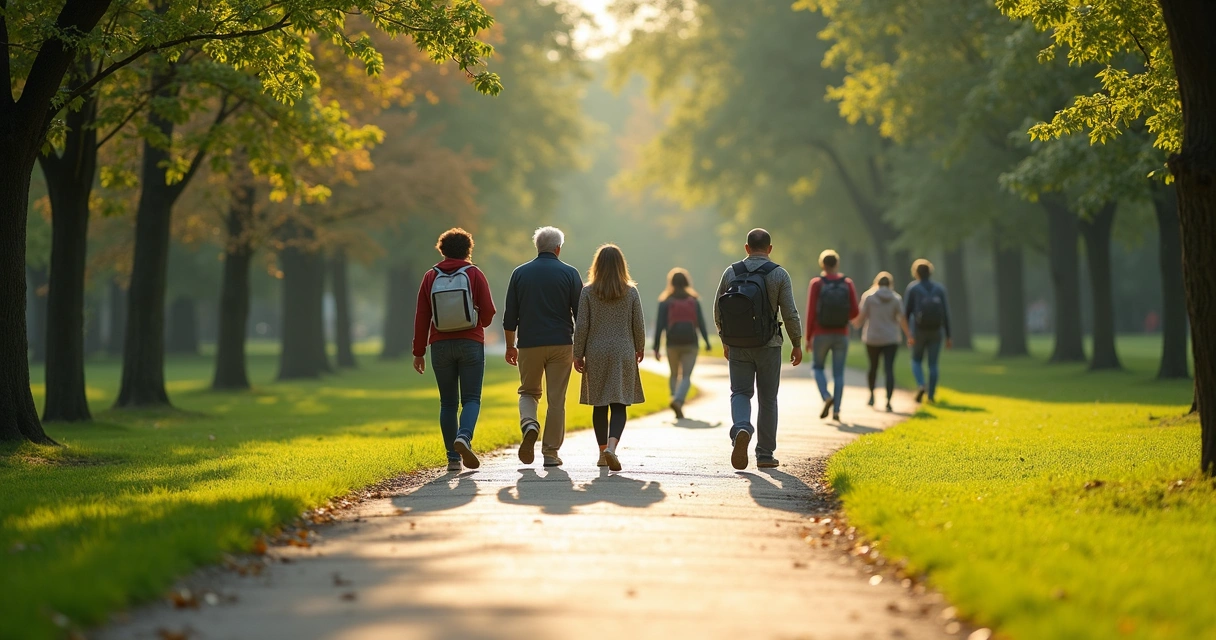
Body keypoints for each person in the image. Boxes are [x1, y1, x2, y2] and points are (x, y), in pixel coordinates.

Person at [714, 228, 803, 470]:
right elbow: (790, 312)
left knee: (740, 392)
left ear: (746, 248)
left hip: (738, 345)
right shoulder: (779, 274)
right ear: (770, 249)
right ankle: (764, 454)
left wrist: (725, 339)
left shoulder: (731, 272)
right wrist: (796, 342)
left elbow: (717, 309)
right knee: (768, 399)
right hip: (769, 345)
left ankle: (742, 427)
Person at [411, 228, 497, 472]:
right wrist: (478, 323)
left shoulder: (430, 276)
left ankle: (452, 459)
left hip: (439, 345)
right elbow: (489, 311)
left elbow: (422, 316)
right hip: (471, 342)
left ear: (442, 250)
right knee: (471, 399)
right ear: (468, 250)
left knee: (448, 403)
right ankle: (464, 437)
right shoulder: (474, 273)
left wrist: (418, 352)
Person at [503, 226, 584, 467]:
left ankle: (529, 423)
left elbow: (510, 315)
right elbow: (581, 315)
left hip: (529, 344)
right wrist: (580, 350)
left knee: (528, 391)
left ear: (537, 247)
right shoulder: (570, 273)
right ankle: (550, 452)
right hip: (561, 343)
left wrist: (510, 346)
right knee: (556, 399)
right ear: (558, 248)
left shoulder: (520, 273)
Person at [573, 244, 647, 472]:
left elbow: (582, 325)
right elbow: (639, 325)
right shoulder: (631, 292)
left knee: (599, 403)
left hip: (596, 352)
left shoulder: (587, 291)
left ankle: (601, 452)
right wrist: (640, 347)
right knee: (619, 403)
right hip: (623, 351)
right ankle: (612, 449)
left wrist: (578, 353)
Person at [804, 249, 859, 422]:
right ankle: (836, 411)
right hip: (841, 334)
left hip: (821, 333)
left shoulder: (817, 283)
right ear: (837, 264)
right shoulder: (847, 283)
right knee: (839, 374)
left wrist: (808, 337)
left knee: (817, 368)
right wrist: (842, 317)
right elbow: (855, 312)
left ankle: (826, 396)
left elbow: (811, 312)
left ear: (822, 265)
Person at [652, 267, 711, 419]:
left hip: (672, 343)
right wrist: (707, 341)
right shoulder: (693, 300)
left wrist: (656, 347)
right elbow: (701, 323)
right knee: (686, 376)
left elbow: (659, 326)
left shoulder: (665, 301)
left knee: (673, 374)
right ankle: (678, 401)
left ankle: (674, 399)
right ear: (687, 282)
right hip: (691, 342)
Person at [853, 271, 909, 413]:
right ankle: (889, 401)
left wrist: (855, 324)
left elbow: (861, 317)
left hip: (872, 338)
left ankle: (872, 395)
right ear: (890, 284)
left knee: (873, 367)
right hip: (891, 338)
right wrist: (909, 335)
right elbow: (902, 319)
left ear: (877, 283)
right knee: (889, 369)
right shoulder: (896, 298)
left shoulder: (869, 297)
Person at [904, 258, 953, 403]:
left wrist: (908, 334)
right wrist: (949, 336)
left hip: (918, 331)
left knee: (916, 360)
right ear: (930, 272)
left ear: (916, 273)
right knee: (933, 364)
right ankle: (931, 396)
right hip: (936, 331)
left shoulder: (913, 288)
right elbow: (945, 314)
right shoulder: (940, 289)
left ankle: (921, 384)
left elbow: (906, 313)